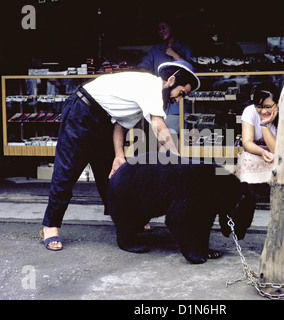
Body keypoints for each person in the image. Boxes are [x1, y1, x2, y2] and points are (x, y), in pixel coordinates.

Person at [40, 61, 201, 251]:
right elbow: (158, 126)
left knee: (112, 177)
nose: (178, 99)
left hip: (103, 120)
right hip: (81, 112)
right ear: (171, 80)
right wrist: (178, 160)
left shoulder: (149, 97)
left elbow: (121, 125)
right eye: (181, 93)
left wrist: (118, 155)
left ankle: (126, 222)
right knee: (66, 173)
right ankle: (50, 226)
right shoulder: (151, 87)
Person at [138, 18, 193, 134]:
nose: (161, 31)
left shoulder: (184, 47)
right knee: (160, 138)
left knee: (175, 137)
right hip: (160, 102)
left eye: (164, 27)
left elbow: (192, 71)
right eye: (159, 29)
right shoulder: (156, 49)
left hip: (177, 103)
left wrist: (174, 55)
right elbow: (142, 67)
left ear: (172, 27)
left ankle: (176, 153)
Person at [236, 82, 280, 197]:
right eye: (259, 106)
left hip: (278, 153)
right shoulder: (250, 111)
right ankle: (249, 196)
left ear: (277, 103)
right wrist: (261, 151)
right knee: (245, 158)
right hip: (258, 152)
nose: (263, 111)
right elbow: (247, 143)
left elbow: (276, 149)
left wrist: (264, 125)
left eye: (268, 107)